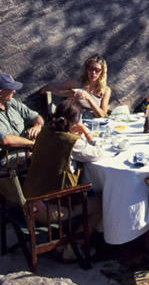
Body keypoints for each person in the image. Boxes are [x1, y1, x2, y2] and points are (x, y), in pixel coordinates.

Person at [22, 98, 104, 261]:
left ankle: (62, 240)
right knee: (103, 202)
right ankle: (74, 247)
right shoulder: (72, 142)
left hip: (29, 200)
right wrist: (87, 133)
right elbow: (97, 153)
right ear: (76, 121)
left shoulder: (45, 132)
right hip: (48, 208)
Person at [0, 72, 44, 149]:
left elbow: (36, 116)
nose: (14, 91)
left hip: (27, 148)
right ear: (0, 93)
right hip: (9, 155)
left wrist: (37, 126)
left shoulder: (11, 102)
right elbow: (5, 139)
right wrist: (32, 144)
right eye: (11, 88)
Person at [42, 54, 112, 118]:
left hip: (94, 123)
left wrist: (89, 98)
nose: (93, 72)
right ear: (86, 69)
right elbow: (48, 88)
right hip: (76, 121)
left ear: (102, 72)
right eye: (90, 68)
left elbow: (102, 115)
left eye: (97, 70)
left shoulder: (105, 90)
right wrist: (67, 94)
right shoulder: (77, 83)